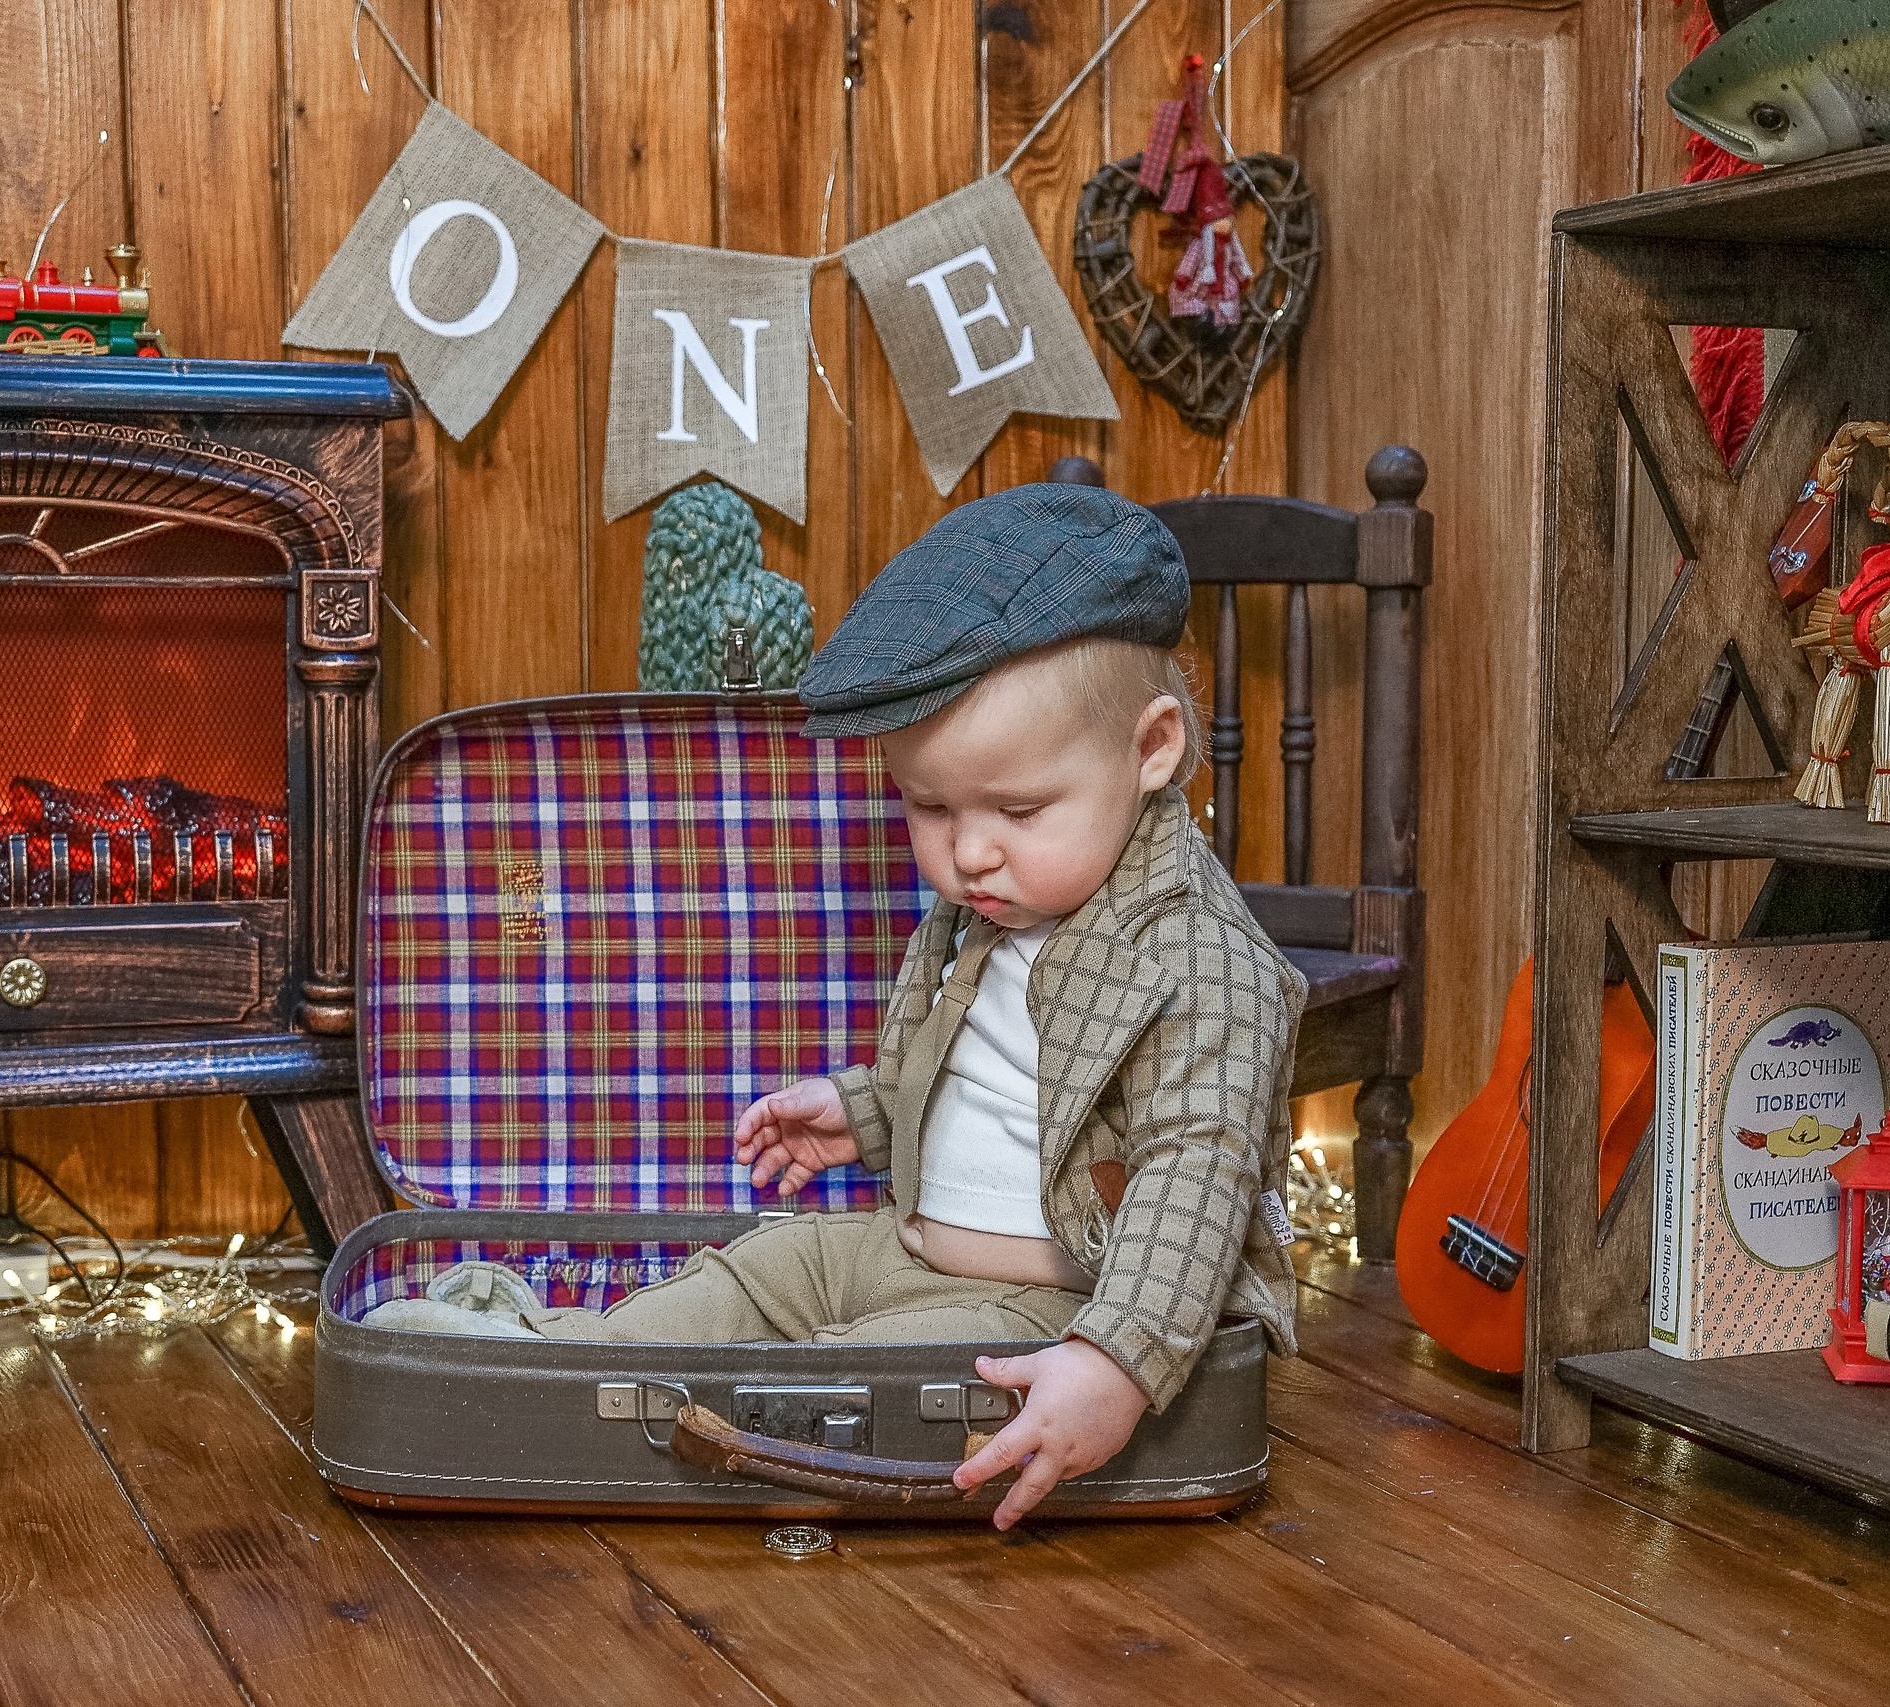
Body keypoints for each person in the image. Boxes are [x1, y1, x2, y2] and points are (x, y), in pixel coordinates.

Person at [365, 483, 1306, 1527]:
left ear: (1152, 749)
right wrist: (864, 1108)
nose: (969, 849)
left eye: (1020, 809)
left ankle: (694, 1413)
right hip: (899, 1243)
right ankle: (551, 1361)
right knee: (755, 1269)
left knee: (849, 1378)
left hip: (1045, 1304)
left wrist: (1115, 1358)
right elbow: (992, 1077)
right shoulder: (997, 902)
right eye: (928, 807)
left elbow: (1196, 1171)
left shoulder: (1198, 956)